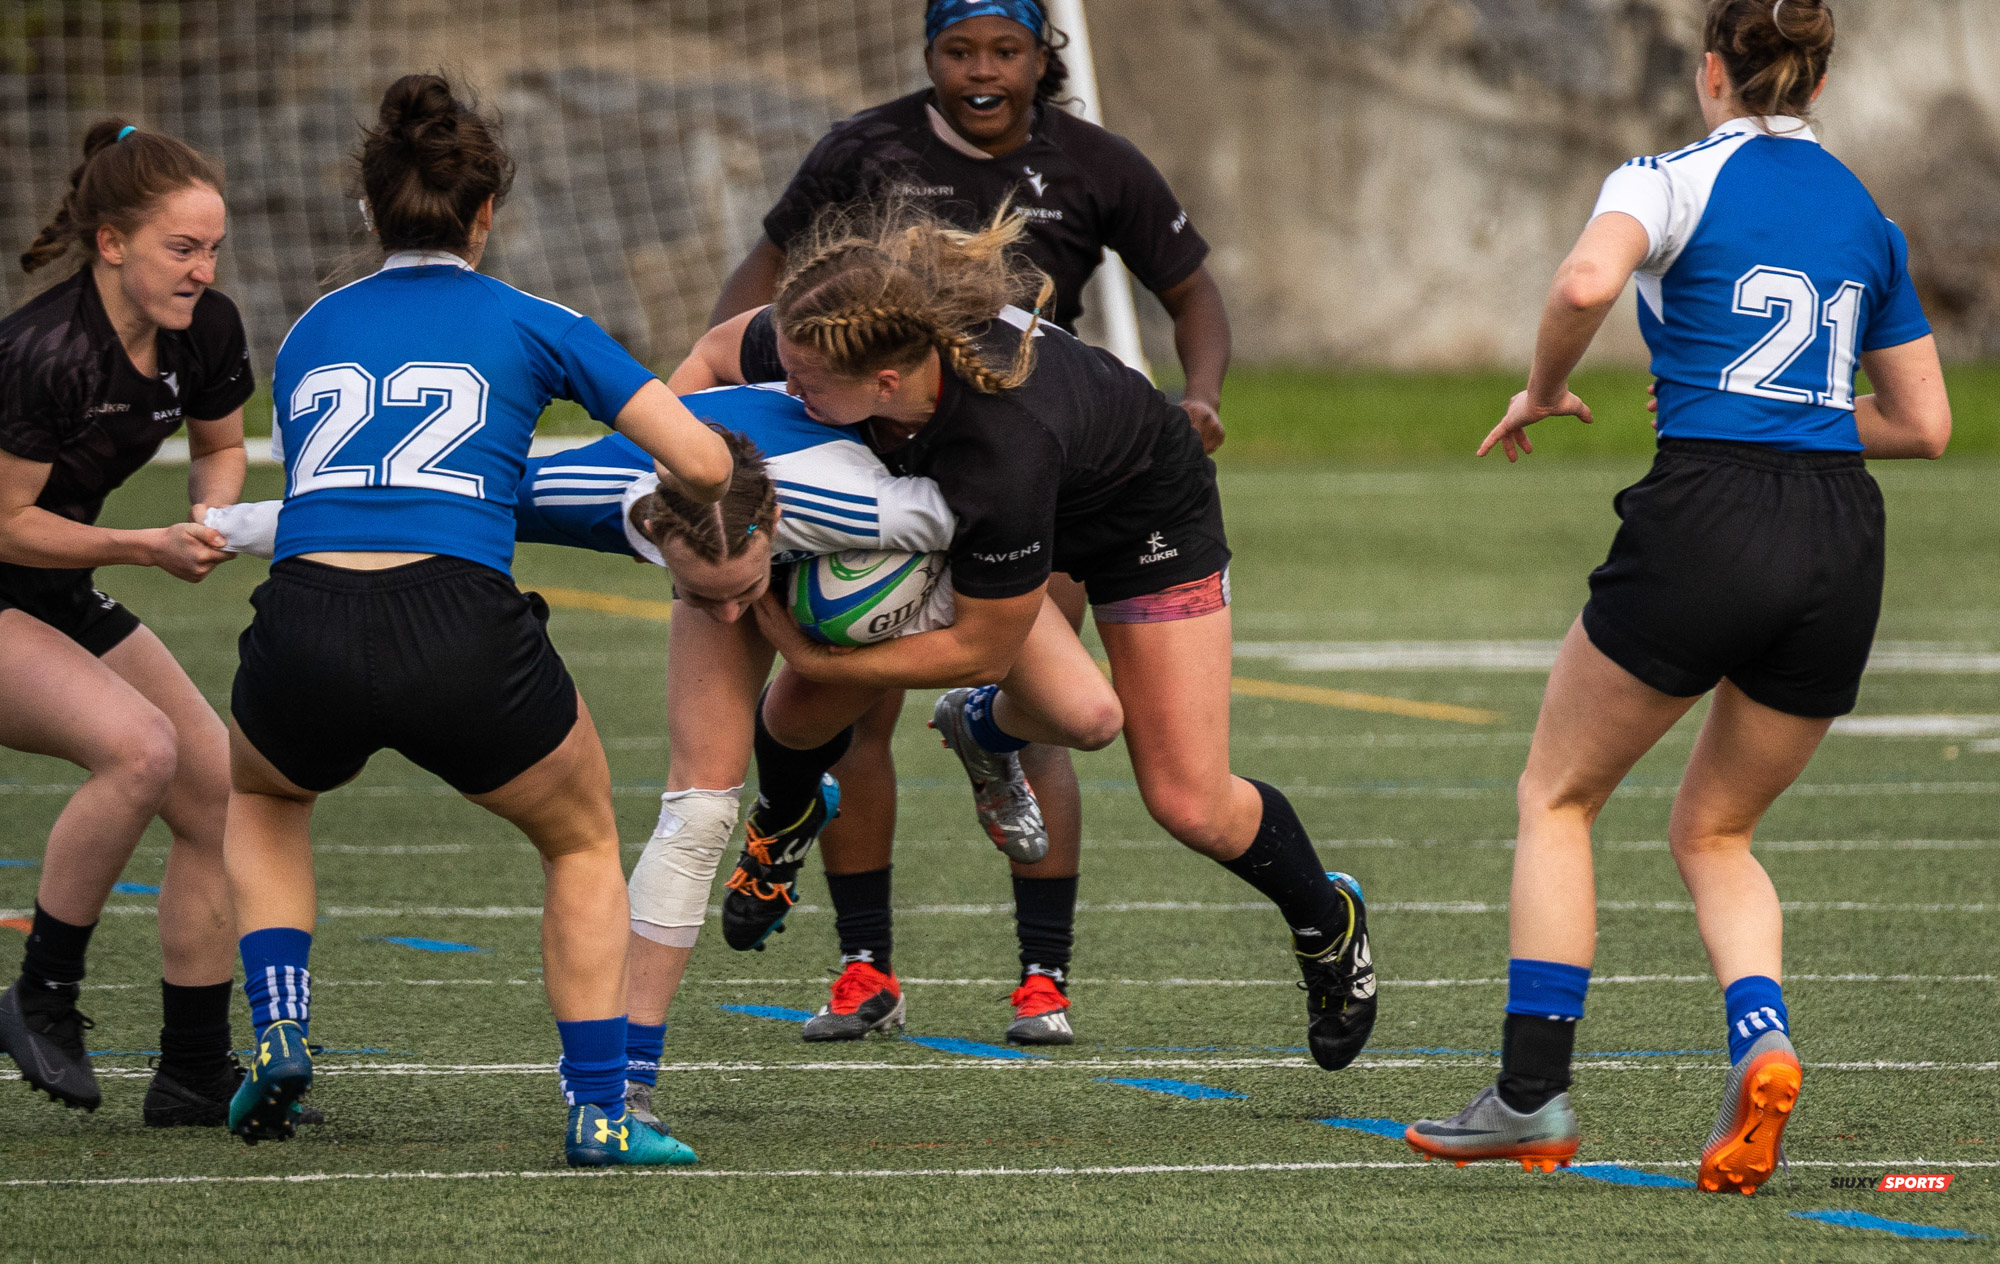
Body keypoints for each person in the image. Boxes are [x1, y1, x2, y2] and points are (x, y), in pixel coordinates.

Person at [210, 382, 1118, 1119]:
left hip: (863, 549)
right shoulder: (588, 495)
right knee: (698, 807)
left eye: (738, 588)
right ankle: (631, 1076)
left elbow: (1007, 505)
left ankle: (972, 731)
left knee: (1085, 713)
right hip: (751, 537)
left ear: (773, 532)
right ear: (652, 535)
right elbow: (408, 504)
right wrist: (221, 530)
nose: (728, 610)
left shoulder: (881, 505)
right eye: (701, 591)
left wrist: (894, 621)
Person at [1404, 0, 1951, 1195]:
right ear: (1811, 81)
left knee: (1556, 794)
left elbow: (1584, 275)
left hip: (1709, 510)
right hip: (1838, 535)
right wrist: (1799, 416)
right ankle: (1761, 1035)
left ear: (1710, 69)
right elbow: (1923, 425)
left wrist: (1543, 386)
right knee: (1716, 830)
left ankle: (1528, 1092)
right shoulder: (1866, 215)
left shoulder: (1665, 175)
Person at [681, 202, 1377, 1072]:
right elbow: (711, 359)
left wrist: (820, 651)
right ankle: (785, 817)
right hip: (968, 504)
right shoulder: (836, 325)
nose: (790, 395)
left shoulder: (1000, 448)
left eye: (807, 389)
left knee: (1181, 793)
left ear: (887, 384)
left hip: (1141, 517)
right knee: (803, 707)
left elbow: (979, 648)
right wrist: (685, 480)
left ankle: (1327, 921)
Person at [218, 74, 731, 1168]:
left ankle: (280, 1027)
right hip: (456, 616)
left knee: (264, 798)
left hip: (303, 612)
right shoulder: (536, 321)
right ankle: (599, 1110)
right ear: (486, 212)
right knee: (581, 837)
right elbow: (701, 460)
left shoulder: (313, 326)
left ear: (368, 211)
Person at [698, 0, 1234, 1043]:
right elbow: (759, 286)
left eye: (1005, 50)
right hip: (880, 448)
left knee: (1041, 702)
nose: (980, 71)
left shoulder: (1095, 163)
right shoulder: (865, 149)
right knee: (857, 709)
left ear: (1044, 56)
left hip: (1026, 463)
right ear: (927, 56)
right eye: (957, 50)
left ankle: (1042, 975)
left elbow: (1191, 289)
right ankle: (865, 969)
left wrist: (1200, 389)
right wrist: (722, 419)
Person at [0, 119, 264, 1127]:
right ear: (112, 243)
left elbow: (222, 443)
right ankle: (39, 995)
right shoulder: (43, 352)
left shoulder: (208, 328)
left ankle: (193, 1072)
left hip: (51, 584)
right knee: (141, 750)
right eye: (181, 248)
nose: (202, 271)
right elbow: (9, 524)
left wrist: (209, 516)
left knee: (214, 781)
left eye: (212, 250)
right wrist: (146, 547)